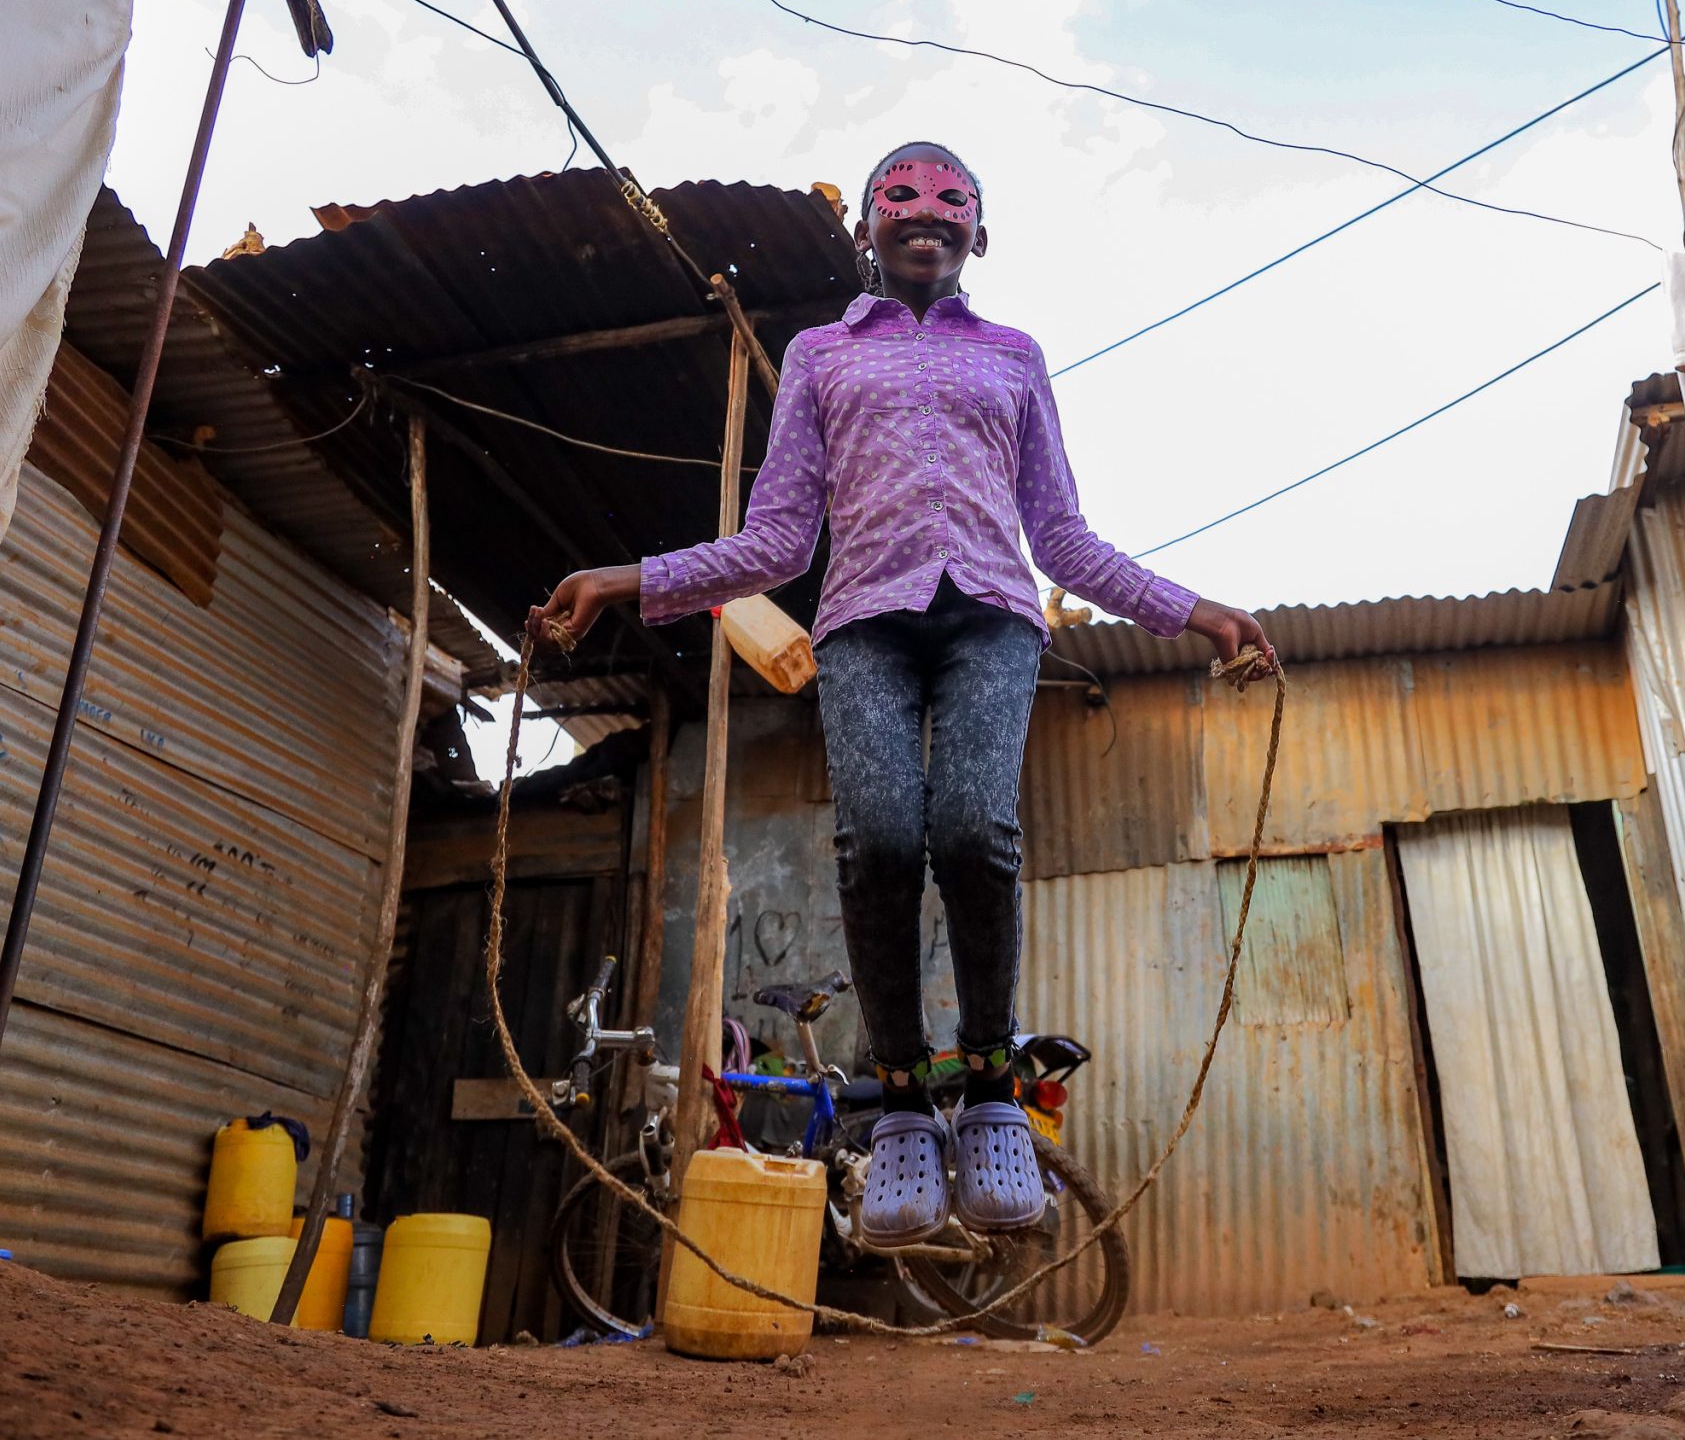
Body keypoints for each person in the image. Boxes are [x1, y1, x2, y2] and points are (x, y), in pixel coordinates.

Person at [528, 141, 1271, 1247]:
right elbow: (777, 538)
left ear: (979, 230)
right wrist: (627, 580)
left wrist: (1194, 609)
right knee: (877, 842)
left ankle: (985, 1086)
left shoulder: (1016, 358)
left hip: (989, 622)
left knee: (973, 830)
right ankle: (903, 1104)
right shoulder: (822, 357)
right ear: (869, 227)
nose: (924, 211)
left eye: (949, 199)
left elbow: (1060, 534)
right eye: (899, 197)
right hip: (866, 626)